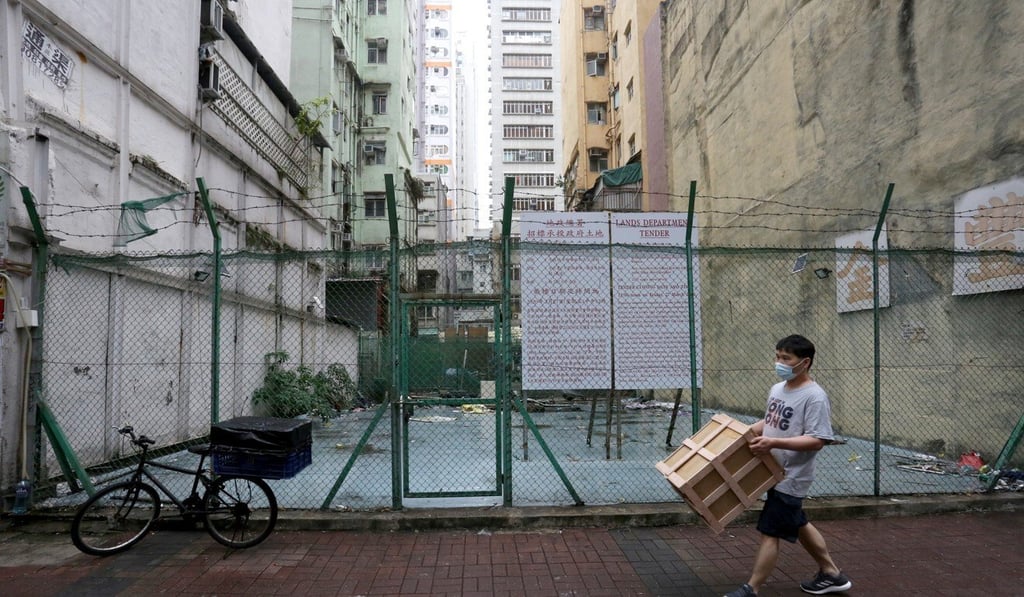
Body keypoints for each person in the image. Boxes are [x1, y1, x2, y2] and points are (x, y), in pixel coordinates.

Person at [725, 335, 852, 597]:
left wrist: (772, 443)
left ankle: (752, 588)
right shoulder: (778, 388)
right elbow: (771, 420)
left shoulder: (815, 397)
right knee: (798, 522)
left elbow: (818, 439)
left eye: (786, 358)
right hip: (771, 472)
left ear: (804, 363)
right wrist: (743, 433)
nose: (779, 363)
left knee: (770, 532)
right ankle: (832, 574)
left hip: (792, 476)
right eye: (777, 356)